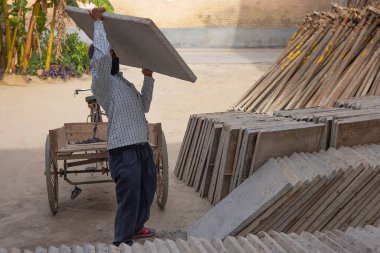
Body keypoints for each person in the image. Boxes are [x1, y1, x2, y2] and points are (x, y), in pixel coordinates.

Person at [88, 7, 157, 246]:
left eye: (116, 54)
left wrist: (148, 77)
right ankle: (122, 240)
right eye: (112, 53)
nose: (115, 57)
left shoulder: (124, 83)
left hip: (141, 146)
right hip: (123, 150)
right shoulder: (102, 84)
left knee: (147, 190)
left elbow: (144, 106)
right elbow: (101, 57)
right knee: (129, 198)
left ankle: (137, 228)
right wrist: (98, 23)